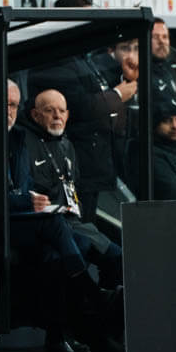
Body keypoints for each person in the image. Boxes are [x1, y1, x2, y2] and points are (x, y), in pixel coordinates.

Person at [0, 78, 93, 352]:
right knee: (59, 230)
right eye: (3, 105)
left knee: (64, 250)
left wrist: (26, 200)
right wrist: (24, 201)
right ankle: (87, 294)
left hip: (16, 219)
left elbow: (22, 187)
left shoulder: (17, 137)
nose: (9, 112)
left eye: (14, 105)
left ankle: (59, 333)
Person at [29, 0, 134, 223]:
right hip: (75, 166)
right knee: (78, 227)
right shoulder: (54, 59)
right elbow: (79, 105)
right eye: (88, 18)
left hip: (94, 165)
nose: (93, 25)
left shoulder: (82, 58)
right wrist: (116, 96)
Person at [22, 89, 124, 290]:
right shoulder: (25, 143)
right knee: (79, 251)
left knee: (117, 256)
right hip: (46, 223)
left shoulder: (67, 145)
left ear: (68, 115)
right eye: (50, 110)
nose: (57, 116)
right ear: (35, 114)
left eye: (61, 111)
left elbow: (72, 184)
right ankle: (92, 300)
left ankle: (106, 302)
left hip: (73, 221)